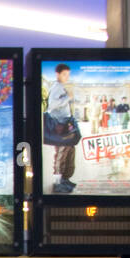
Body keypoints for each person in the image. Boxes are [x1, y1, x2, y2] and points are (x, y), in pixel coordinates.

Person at [47, 64, 76, 193]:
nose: (66, 77)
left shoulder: (61, 87)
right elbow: (52, 105)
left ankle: (65, 178)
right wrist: (67, 98)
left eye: (68, 75)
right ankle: (58, 182)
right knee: (61, 152)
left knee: (69, 150)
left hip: (65, 123)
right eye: (64, 74)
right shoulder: (56, 88)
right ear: (57, 74)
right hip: (59, 124)